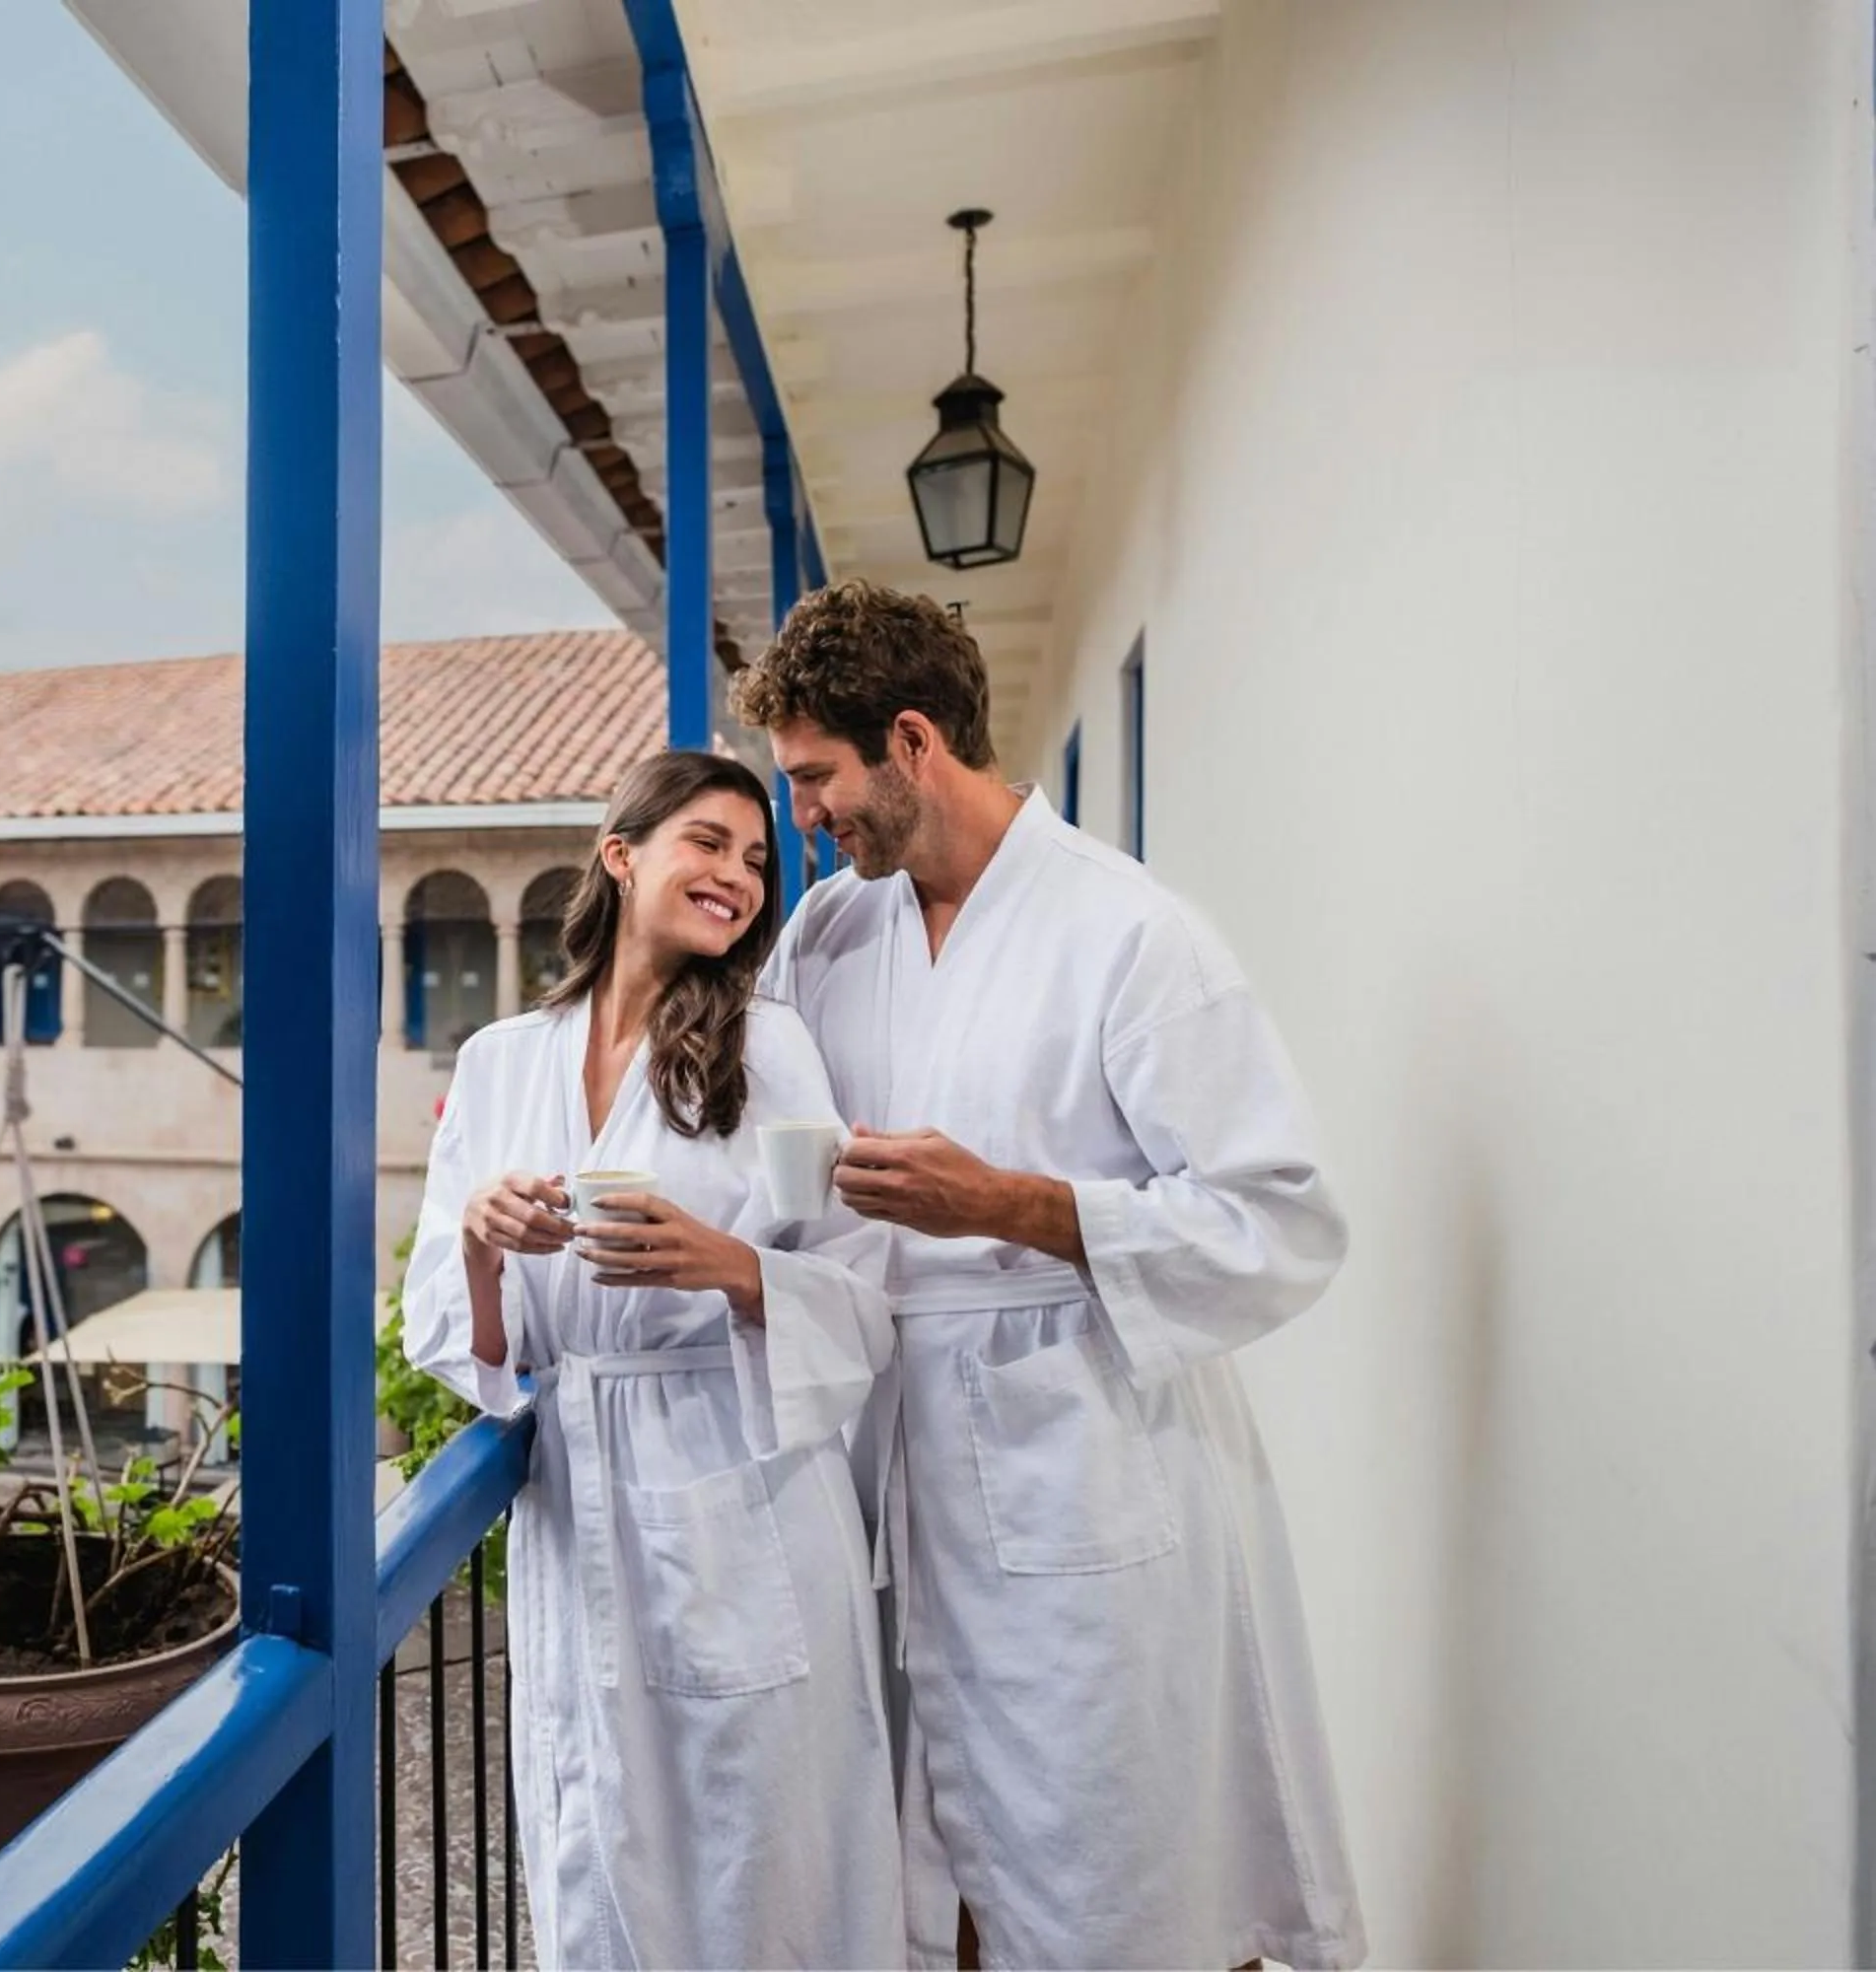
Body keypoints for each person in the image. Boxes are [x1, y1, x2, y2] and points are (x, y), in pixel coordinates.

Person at [732, 581, 1366, 1972]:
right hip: (894, 1456)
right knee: (922, 1856)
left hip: (1081, 1459)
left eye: (816, 780)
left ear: (910, 741)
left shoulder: (1130, 936)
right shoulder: (833, 937)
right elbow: (732, 1109)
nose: (803, 821)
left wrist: (1015, 1206)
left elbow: (1283, 1221)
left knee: (1116, 1854)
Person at [401, 749, 905, 1970]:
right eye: (707, 841)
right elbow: (464, 1339)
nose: (736, 873)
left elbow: (864, 1287)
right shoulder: (499, 1061)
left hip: (738, 1485)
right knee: (591, 1829)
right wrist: (483, 1237)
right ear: (621, 854)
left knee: (757, 1841)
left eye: (754, 856)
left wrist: (724, 1262)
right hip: (578, 1497)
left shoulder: (767, 1045)